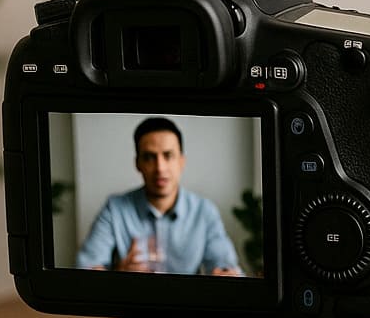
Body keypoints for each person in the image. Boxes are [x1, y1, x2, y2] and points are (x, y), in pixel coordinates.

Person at [76, 117, 244, 276]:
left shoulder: (204, 211)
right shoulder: (115, 209)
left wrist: (225, 275)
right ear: (138, 164)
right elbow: (85, 269)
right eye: (149, 157)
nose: (160, 168)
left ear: (181, 161)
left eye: (168, 155)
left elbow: (226, 267)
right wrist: (120, 274)